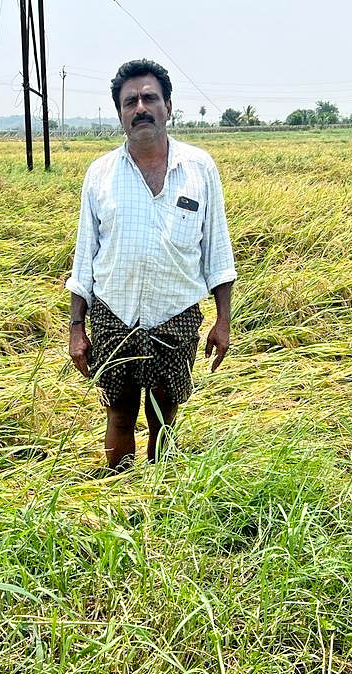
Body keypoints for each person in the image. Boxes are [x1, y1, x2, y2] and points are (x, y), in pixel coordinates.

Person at [66, 58, 237, 471]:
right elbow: (85, 256)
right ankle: (118, 491)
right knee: (119, 412)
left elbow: (217, 250)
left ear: (168, 107)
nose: (140, 107)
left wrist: (223, 320)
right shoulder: (100, 174)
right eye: (130, 102)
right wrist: (76, 328)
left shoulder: (199, 168)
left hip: (175, 314)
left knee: (163, 415)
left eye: (149, 98)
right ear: (120, 114)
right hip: (113, 314)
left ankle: (159, 492)